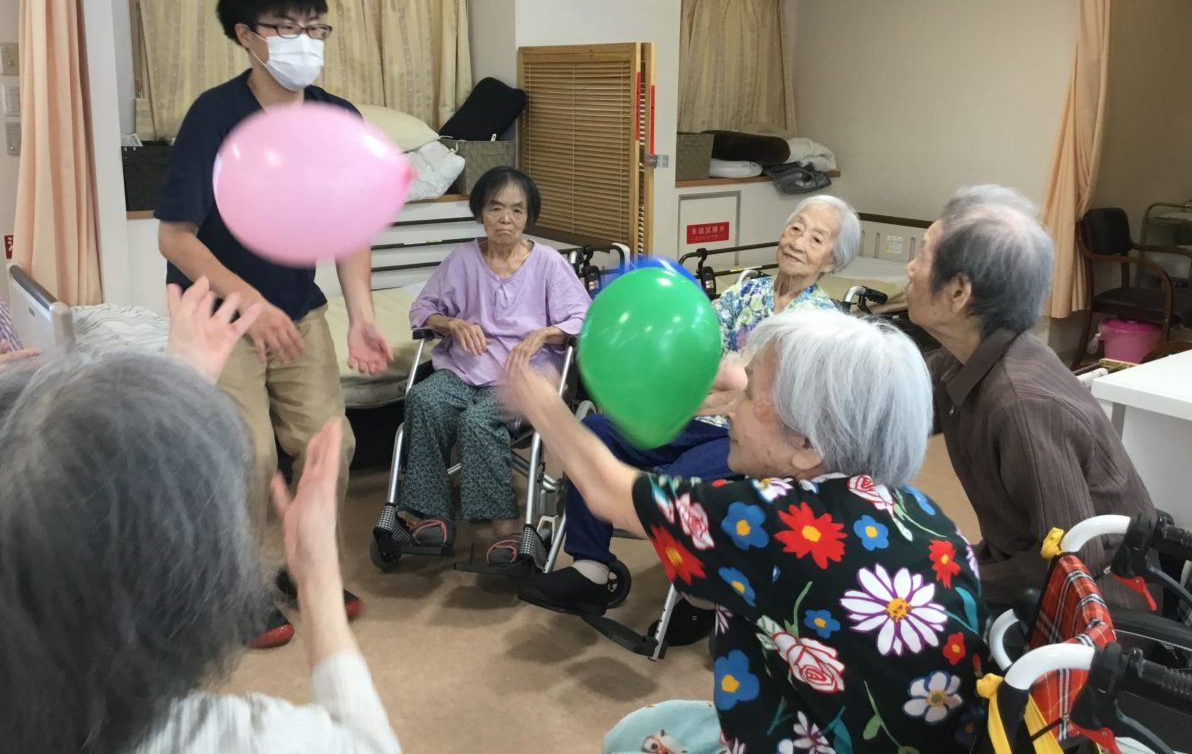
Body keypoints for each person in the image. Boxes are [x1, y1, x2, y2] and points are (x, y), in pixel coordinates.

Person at [502, 308, 988, 753]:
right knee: (638, 731)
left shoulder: (775, 519)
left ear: (805, 443)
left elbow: (608, 493)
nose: (731, 410)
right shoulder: (925, 512)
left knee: (627, 741)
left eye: (751, 394)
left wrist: (542, 401)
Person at [0, 278, 400, 754]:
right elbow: (365, 742)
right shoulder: (235, 737)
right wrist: (317, 579)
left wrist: (184, 386)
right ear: (199, 598)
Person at [155, 0, 393, 647]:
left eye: (314, 28)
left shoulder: (336, 118)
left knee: (331, 443)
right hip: (220, 313)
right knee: (248, 452)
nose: (303, 41)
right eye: (286, 28)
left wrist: (363, 315)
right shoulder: (215, 116)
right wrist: (250, 301)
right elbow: (175, 235)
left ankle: (300, 566)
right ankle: (239, 585)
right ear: (246, 37)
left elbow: (349, 227)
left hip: (298, 310)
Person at [518, 195, 860, 619]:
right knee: (597, 433)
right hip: (694, 414)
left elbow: (776, 400)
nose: (798, 241)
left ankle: (700, 592)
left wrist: (709, 393)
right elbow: (699, 345)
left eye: (816, 237)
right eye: (795, 227)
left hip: (750, 435)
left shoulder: (821, 325)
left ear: (832, 261)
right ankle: (590, 569)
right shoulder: (748, 291)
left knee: (676, 482)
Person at [904, 184, 1154, 609]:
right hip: (1018, 569)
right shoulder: (962, 358)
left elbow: (1072, 561)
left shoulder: (1022, 403)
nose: (909, 269)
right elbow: (891, 413)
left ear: (959, 292)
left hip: (1098, 616)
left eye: (923, 255)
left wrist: (947, 582)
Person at [394, 167, 590, 566]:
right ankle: (432, 515)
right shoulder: (463, 258)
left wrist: (543, 334)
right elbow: (423, 310)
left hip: (524, 378)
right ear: (480, 212)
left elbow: (583, 318)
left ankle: (502, 528)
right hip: (465, 369)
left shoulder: (548, 263)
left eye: (517, 210)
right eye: (496, 208)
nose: (506, 219)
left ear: (528, 216)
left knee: (478, 422)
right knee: (423, 400)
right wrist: (452, 323)